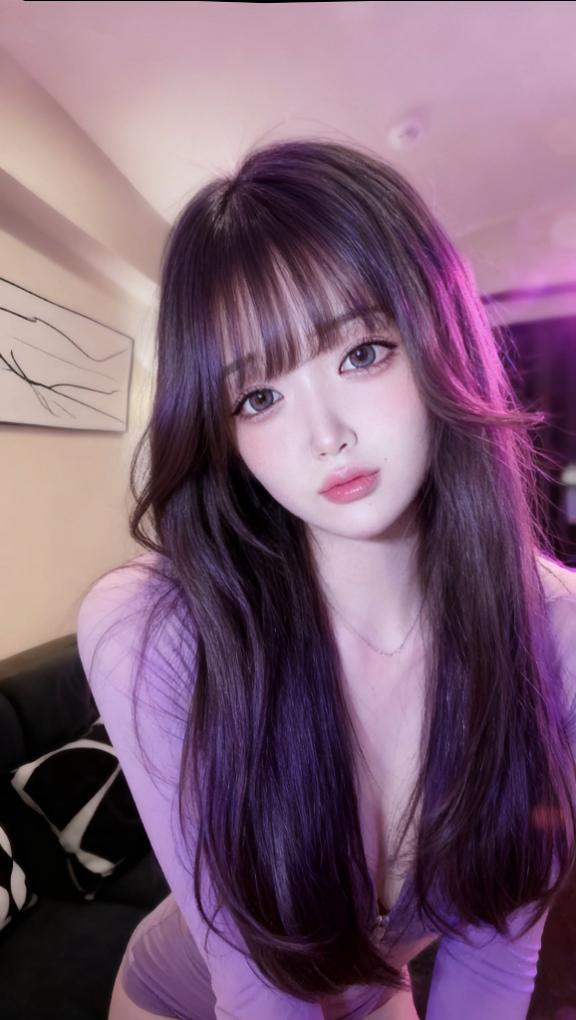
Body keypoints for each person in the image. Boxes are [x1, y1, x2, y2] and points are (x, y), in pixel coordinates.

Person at [76, 137, 576, 1020]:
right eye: (258, 397)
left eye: (362, 353)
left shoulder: (555, 633)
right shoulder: (154, 629)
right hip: (181, 996)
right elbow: (256, 985)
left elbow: (497, 953)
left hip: (372, 988)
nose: (325, 436)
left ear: (439, 341)